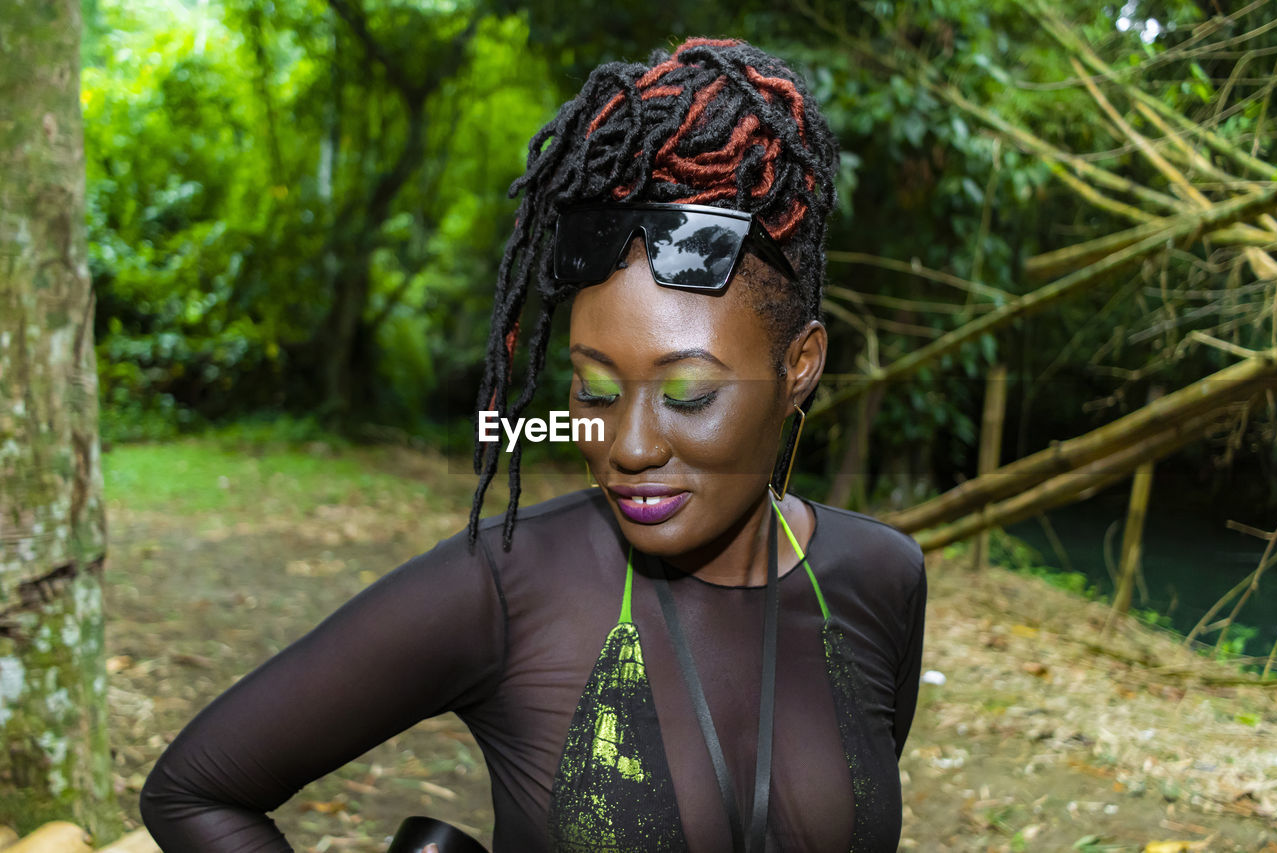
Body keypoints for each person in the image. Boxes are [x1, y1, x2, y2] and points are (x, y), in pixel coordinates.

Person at [139, 37, 927, 853]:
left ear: (800, 366)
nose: (628, 445)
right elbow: (196, 791)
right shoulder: (509, 586)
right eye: (594, 389)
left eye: (689, 394)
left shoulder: (882, 578)